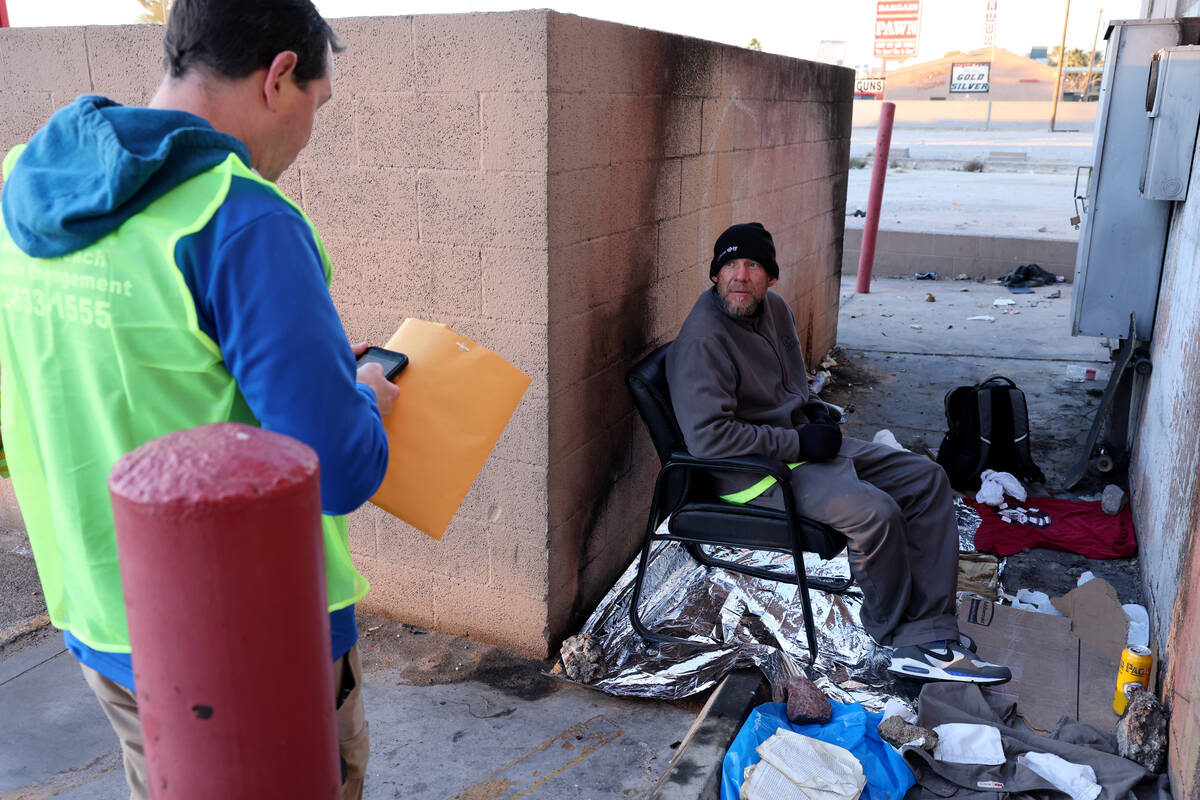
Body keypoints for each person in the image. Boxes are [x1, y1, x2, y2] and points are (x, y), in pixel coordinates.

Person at [0, 1, 397, 797]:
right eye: (317, 106)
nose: (307, 134)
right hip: (253, 637)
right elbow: (339, 466)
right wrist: (365, 396)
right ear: (280, 76)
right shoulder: (241, 218)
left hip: (98, 612)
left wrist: (301, 367)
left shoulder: (19, 182)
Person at [665, 222, 1011, 685]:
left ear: (771, 277)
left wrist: (814, 413)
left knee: (927, 478)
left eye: (751, 265)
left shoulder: (775, 311)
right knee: (876, 513)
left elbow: (791, 389)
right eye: (729, 265)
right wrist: (797, 443)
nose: (740, 276)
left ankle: (929, 632)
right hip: (751, 475)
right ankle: (896, 639)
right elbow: (709, 440)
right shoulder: (703, 341)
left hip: (798, 447)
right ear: (714, 275)